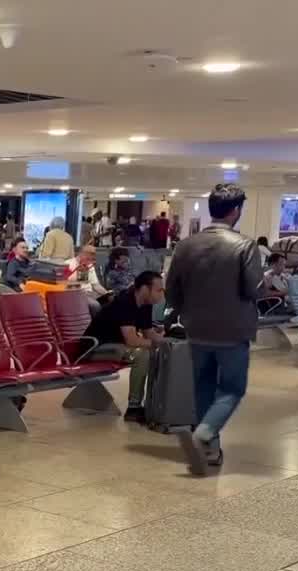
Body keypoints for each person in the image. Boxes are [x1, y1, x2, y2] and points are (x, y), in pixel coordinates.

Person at [165, 182, 264, 476]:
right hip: (233, 330)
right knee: (232, 389)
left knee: (204, 386)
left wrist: (186, 312)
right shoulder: (245, 245)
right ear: (236, 211)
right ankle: (205, 433)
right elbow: (254, 289)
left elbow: (172, 291)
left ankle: (211, 450)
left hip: (196, 329)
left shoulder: (185, 245)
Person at [86, 271, 166, 424]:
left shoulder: (145, 304)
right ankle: (133, 408)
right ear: (144, 289)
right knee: (141, 354)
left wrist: (168, 342)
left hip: (116, 347)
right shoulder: (125, 302)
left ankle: (152, 404)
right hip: (95, 348)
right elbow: (132, 340)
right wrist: (158, 344)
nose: (161, 294)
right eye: (159, 290)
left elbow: (149, 334)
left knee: (154, 351)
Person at [66, 245, 109, 314]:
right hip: (76, 293)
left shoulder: (89, 265)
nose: (89, 261)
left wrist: (106, 293)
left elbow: (95, 285)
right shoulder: (68, 264)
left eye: (92, 259)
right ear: (80, 254)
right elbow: (64, 285)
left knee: (110, 301)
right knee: (95, 305)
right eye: (88, 258)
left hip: (90, 293)